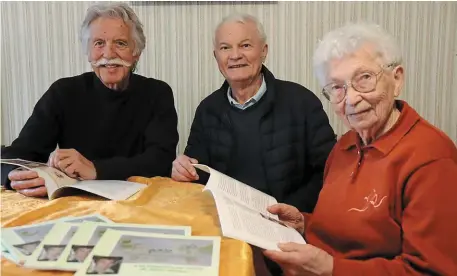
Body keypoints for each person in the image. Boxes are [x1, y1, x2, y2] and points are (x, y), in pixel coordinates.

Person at [263, 23, 457, 276]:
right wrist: (304, 224)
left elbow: (431, 271)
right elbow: (343, 233)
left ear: (396, 79)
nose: (351, 98)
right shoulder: (345, 145)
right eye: (337, 87)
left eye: (364, 78)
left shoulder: (431, 158)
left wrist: (331, 269)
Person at [1, 2, 179, 197]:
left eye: (120, 43)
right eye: (99, 43)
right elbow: (17, 154)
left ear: (136, 53)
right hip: (73, 203)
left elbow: (161, 160)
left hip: (139, 202)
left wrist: (96, 169)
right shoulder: (63, 92)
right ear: (88, 52)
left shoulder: (157, 93)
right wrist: (17, 176)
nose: (109, 54)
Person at [171, 13, 336, 214]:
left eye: (245, 45)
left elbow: (329, 171)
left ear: (264, 51)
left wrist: (290, 210)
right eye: (225, 48)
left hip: (288, 220)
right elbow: (199, 173)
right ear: (216, 56)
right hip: (228, 220)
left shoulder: (302, 102)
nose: (235, 55)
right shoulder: (208, 109)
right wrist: (183, 169)